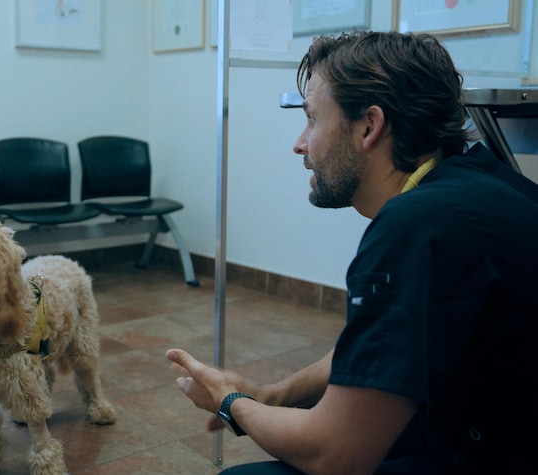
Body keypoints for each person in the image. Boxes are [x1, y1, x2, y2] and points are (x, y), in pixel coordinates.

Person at [167, 30, 538, 475]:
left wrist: (233, 404)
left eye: (312, 120)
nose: (300, 143)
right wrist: (273, 395)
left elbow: (334, 455)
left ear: (369, 126)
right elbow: (380, 346)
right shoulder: (474, 179)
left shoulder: (416, 225)